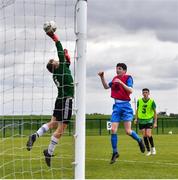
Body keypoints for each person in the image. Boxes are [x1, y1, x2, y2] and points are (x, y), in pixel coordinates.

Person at [26, 31, 74, 167]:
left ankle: (35, 135)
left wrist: (67, 56)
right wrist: (54, 36)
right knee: (61, 128)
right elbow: (59, 48)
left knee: (52, 123)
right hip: (66, 100)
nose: (57, 59)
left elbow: (68, 64)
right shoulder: (60, 68)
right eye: (54, 60)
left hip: (59, 99)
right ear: (54, 65)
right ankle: (49, 151)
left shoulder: (57, 73)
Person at [98, 63, 145, 164]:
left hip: (126, 107)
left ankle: (139, 140)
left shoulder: (128, 78)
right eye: (116, 68)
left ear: (124, 71)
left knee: (128, 131)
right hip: (116, 107)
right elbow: (106, 87)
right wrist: (102, 77)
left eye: (119, 69)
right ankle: (115, 152)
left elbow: (131, 90)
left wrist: (121, 83)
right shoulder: (115, 78)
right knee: (113, 130)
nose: (117, 70)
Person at [134, 88, 157, 156]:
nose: (145, 94)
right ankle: (148, 150)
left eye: (146, 92)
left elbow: (155, 112)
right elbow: (137, 110)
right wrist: (136, 119)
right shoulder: (139, 101)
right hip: (141, 120)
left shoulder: (152, 101)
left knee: (148, 134)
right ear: (142, 93)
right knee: (144, 135)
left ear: (149, 93)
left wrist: (155, 122)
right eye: (144, 92)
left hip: (149, 119)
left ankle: (153, 148)